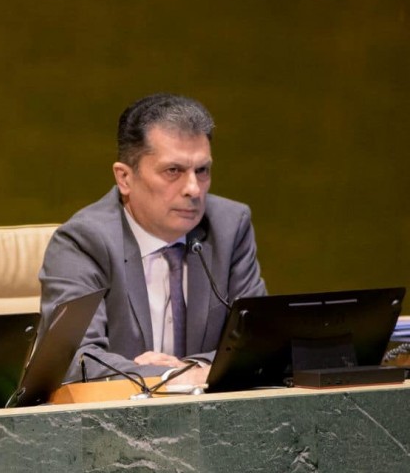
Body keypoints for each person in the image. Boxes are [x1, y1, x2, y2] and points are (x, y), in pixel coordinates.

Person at [38, 93, 267, 385]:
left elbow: (258, 343)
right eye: (173, 171)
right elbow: (75, 360)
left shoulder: (229, 227)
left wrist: (189, 369)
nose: (194, 189)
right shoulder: (83, 241)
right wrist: (168, 376)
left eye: (202, 170)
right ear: (124, 178)